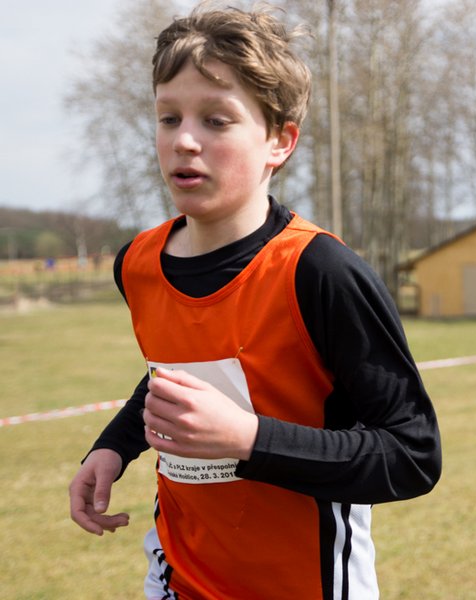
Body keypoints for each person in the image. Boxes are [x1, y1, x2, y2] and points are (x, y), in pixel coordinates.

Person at [69, 4, 442, 599]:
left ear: (279, 141)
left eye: (216, 121)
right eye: (168, 117)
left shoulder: (320, 272)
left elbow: (412, 455)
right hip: (177, 577)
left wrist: (248, 439)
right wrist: (114, 446)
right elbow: (173, 377)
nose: (184, 140)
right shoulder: (137, 262)